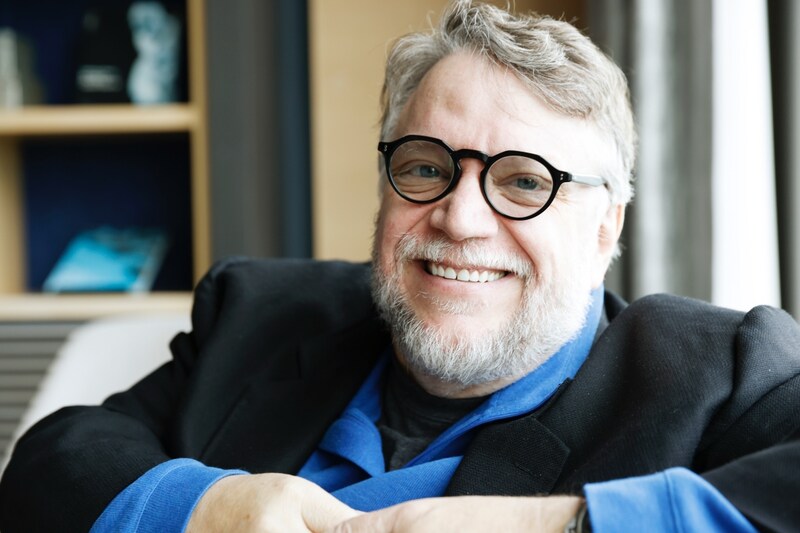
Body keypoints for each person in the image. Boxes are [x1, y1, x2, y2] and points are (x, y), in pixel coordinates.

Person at [1, 1, 799, 531]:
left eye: (524, 182)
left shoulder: (717, 373)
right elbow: (53, 464)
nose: (459, 217)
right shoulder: (260, 311)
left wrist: (563, 524)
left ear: (605, 227)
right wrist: (205, 504)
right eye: (425, 167)